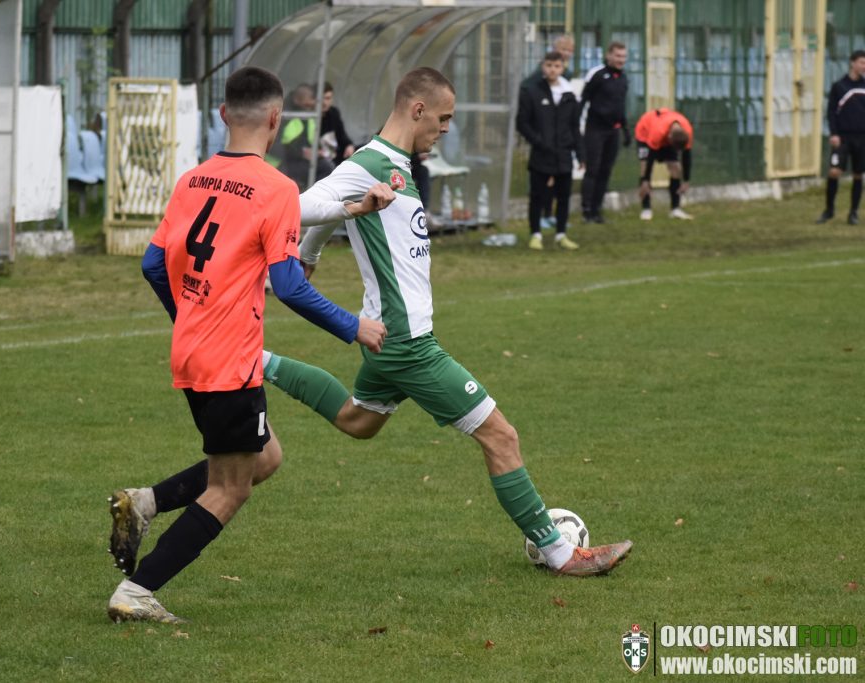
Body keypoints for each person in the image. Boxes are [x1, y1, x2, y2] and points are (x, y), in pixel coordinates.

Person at [278, 67, 632, 576]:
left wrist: (310, 253)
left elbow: (337, 208)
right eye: (442, 118)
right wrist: (314, 239)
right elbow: (300, 206)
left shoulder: (393, 165)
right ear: (417, 109)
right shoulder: (370, 163)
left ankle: (256, 360)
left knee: (358, 421)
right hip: (407, 343)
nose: (445, 129)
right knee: (501, 436)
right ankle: (563, 555)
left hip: (388, 336)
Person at [104, 66, 390, 625]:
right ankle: (137, 591)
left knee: (265, 456)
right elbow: (290, 286)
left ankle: (145, 502)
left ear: (222, 115)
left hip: (192, 350)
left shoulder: (192, 180)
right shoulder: (276, 188)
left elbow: (153, 264)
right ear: (277, 119)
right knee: (231, 489)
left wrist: (189, 316)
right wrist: (352, 326)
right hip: (229, 359)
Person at [516, 50, 585, 250]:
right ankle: (535, 234)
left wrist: (580, 153)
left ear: (563, 68)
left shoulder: (569, 94)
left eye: (557, 66)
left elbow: (574, 127)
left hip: (564, 154)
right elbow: (522, 123)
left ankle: (561, 234)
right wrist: (539, 141)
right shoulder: (531, 91)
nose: (552, 70)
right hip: (541, 153)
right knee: (537, 196)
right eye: (549, 65)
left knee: (563, 196)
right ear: (543, 67)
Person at [520, 35, 576, 231]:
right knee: (541, 180)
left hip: (560, 140)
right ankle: (542, 216)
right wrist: (538, 138)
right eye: (562, 49)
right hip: (542, 137)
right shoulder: (538, 78)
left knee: (559, 182)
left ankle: (552, 216)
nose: (566, 54)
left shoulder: (568, 76)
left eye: (569, 51)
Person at [580, 42, 630, 224]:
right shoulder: (598, 75)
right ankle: (586, 210)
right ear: (609, 56)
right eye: (617, 56)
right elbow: (583, 99)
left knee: (605, 170)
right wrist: (576, 126)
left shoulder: (623, 78)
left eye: (623, 56)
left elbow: (620, 106)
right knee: (592, 169)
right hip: (595, 129)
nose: (621, 60)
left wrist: (625, 129)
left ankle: (597, 209)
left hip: (613, 130)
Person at [817, 50, 865, 225]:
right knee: (834, 171)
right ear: (852, 63)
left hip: (862, 137)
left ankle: (853, 213)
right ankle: (829, 210)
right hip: (843, 137)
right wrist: (834, 133)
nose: (864, 66)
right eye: (862, 62)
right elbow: (831, 112)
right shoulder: (839, 86)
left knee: (858, 174)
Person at [633, 108, 694, 221]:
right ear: (669, 137)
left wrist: (686, 180)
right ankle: (646, 208)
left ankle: (675, 209)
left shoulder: (687, 131)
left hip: (665, 135)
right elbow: (651, 157)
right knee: (645, 166)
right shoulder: (658, 132)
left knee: (675, 168)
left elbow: (686, 155)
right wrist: (645, 180)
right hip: (645, 135)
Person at [279, 83, 333, 189]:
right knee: (325, 167)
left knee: (327, 166)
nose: (312, 103)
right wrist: (302, 153)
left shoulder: (309, 116)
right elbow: (276, 146)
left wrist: (318, 151)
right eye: (308, 102)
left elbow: (312, 140)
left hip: (299, 161)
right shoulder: (285, 115)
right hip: (280, 162)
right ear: (297, 100)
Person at [320, 81, 355, 163]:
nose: (324, 102)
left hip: (335, 155)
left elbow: (341, 134)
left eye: (328, 98)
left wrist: (348, 145)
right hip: (321, 159)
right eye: (322, 98)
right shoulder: (311, 117)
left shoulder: (333, 113)